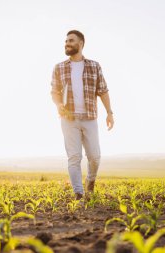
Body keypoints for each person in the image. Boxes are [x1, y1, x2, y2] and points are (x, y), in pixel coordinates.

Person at [50, 30, 114, 200]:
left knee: (94, 156)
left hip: (89, 118)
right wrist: (58, 104)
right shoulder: (59, 67)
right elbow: (54, 92)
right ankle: (79, 194)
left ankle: (90, 181)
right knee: (74, 157)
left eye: (71, 40)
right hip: (69, 119)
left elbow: (103, 91)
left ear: (81, 43)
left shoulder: (94, 66)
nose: (67, 43)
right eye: (65, 41)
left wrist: (109, 112)